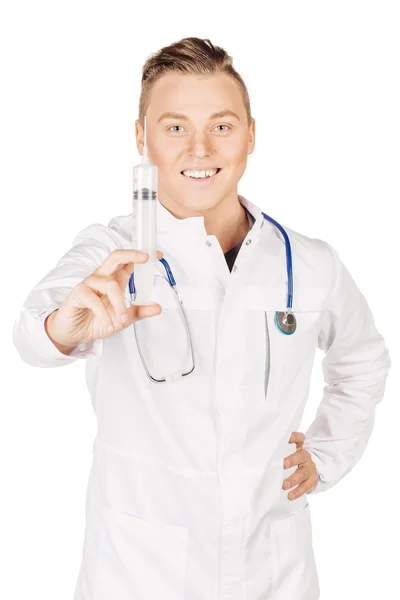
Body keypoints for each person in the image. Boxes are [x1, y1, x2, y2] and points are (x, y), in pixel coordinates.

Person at [13, 36, 391, 600]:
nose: (199, 149)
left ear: (250, 135)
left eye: (221, 125)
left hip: (274, 569)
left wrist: (326, 456)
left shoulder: (307, 262)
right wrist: (59, 330)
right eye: (174, 128)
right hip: (140, 571)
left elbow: (363, 361)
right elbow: (31, 332)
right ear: (141, 138)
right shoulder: (111, 250)